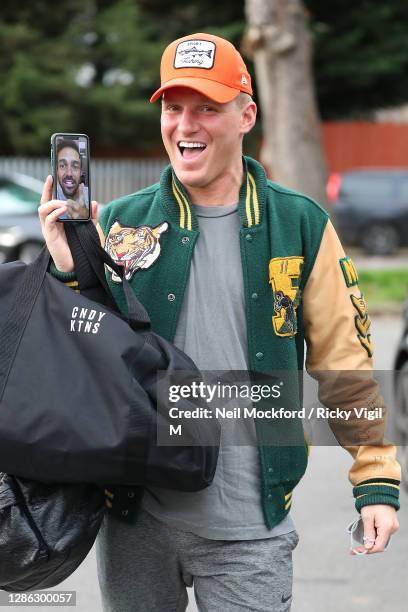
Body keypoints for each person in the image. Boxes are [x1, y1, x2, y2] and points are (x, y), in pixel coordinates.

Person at [39, 33, 400, 612]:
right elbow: (77, 363)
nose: (188, 124)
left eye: (208, 107)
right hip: (136, 520)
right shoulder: (120, 223)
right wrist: (68, 271)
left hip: (250, 528)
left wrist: (375, 478)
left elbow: (345, 364)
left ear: (246, 114)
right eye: (174, 107)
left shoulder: (299, 225)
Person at [56, 138, 89, 219]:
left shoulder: (87, 195)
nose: (69, 174)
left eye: (75, 166)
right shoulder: (53, 197)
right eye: (62, 166)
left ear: (81, 171)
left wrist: (85, 214)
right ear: (56, 170)